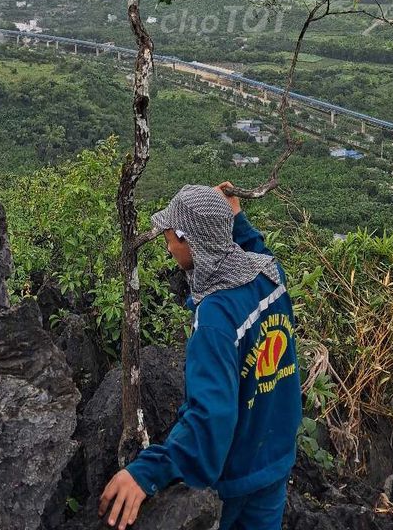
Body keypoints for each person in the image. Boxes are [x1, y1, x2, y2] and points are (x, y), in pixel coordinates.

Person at [98, 180, 302, 530]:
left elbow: (212, 418)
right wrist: (235, 216)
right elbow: (257, 249)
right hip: (275, 460)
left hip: (234, 478)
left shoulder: (215, 321)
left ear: (189, 239)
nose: (167, 246)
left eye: (171, 237)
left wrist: (148, 471)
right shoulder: (271, 277)